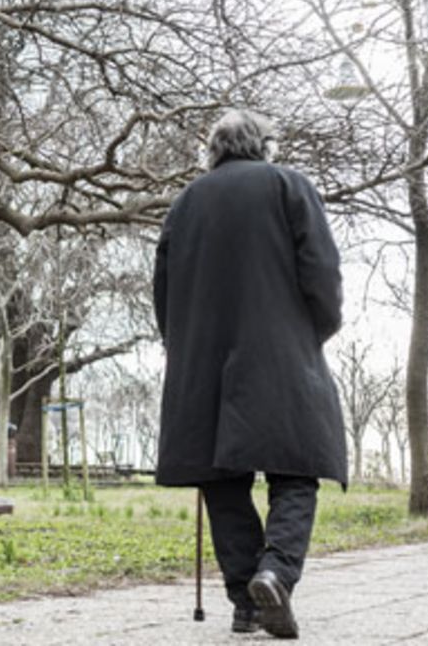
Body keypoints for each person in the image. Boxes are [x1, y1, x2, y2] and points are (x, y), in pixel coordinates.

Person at [152, 109, 346, 639]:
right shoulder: (289, 186)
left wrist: (184, 346)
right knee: (296, 472)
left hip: (203, 361)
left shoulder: (186, 203)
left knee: (223, 482)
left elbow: (163, 292)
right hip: (281, 351)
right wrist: (314, 333)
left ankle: (245, 602)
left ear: (213, 150)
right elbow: (323, 273)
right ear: (264, 145)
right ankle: (274, 572)